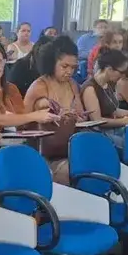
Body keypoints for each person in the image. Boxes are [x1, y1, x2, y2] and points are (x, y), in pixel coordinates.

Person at [23, 36, 86, 183]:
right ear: (52, 63)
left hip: (68, 148)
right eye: (64, 66)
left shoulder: (73, 85)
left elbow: (82, 116)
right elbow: (21, 122)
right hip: (44, 152)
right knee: (70, 170)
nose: (69, 71)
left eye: (73, 67)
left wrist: (76, 115)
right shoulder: (39, 86)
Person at [0, 42, 57, 129]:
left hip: (16, 139)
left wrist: (39, 108)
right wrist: (35, 116)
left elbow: (22, 119)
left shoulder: (12, 88)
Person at [81, 49, 128, 145]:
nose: (123, 75)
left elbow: (113, 109)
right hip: (98, 133)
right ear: (109, 69)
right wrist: (124, 121)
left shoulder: (108, 84)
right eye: (121, 72)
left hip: (112, 129)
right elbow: (97, 120)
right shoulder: (90, 88)